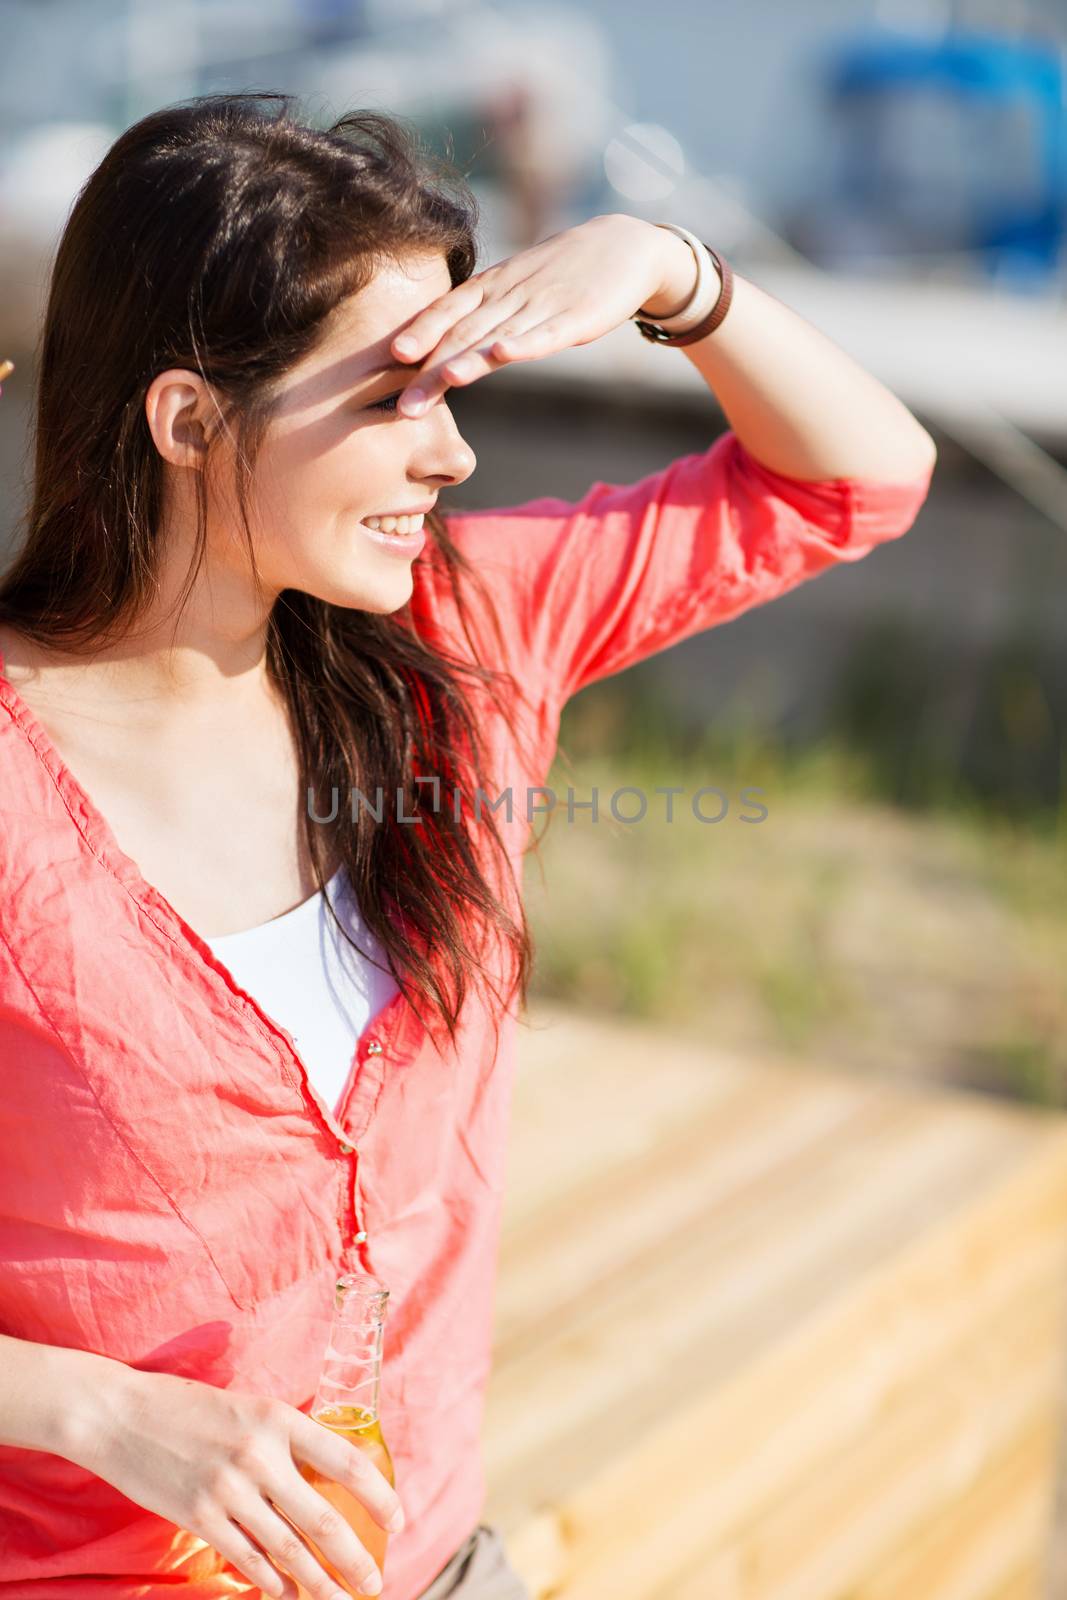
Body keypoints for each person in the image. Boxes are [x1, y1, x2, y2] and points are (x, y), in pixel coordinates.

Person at [0, 94, 935, 1600]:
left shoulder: (470, 630)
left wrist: (665, 274)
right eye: (392, 398)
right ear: (185, 420)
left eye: (458, 389)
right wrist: (106, 1412)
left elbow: (858, 479)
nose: (450, 458)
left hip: (437, 1564)